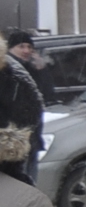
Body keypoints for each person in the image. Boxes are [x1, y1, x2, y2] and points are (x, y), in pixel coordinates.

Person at [0, 35, 42, 189]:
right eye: (22, 46)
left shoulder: (13, 78)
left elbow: (30, 110)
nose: (26, 51)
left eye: (29, 47)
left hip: (8, 151)